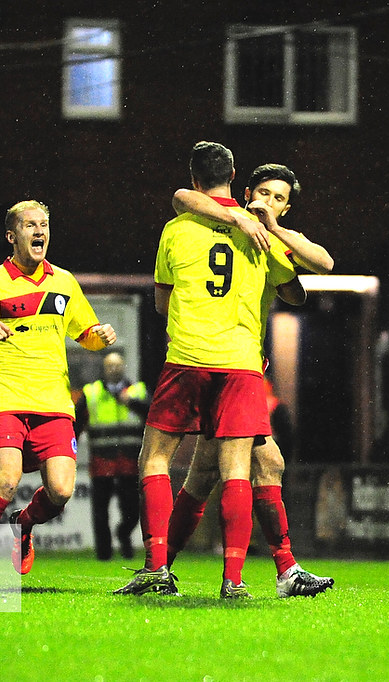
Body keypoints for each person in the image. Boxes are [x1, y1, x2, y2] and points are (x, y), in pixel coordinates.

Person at [113, 142, 301, 598]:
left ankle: (158, 568)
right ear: (236, 175)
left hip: (189, 357)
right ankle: (235, 580)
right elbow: (300, 287)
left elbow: (161, 301)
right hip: (240, 364)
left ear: (194, 177)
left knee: (156, 460)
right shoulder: (259, 233)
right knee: (235, 470)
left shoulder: (177, 230)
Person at [165, 163, 336, 597]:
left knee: (206, 474)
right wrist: (246, 219)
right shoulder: (222, 222)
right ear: (245, 192)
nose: (268, 201)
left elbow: (324, 264)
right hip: (220, 364)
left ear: (287, 206)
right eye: (262, 192)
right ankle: (279, 571)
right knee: (258, 465)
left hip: (240, 368)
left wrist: (274, 228)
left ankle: (159, 566)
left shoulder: (270, 239)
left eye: (279, 197)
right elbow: (184, 197)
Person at [0, 199, 117, 589]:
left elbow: (84, 335)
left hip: (54, 402)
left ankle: (23, 524)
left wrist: (99, 336)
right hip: (3, 399)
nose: (39, 232)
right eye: (29, 226)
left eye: (44, 225)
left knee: (61, 490)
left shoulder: (64, 282)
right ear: (12, 236)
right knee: (6, 482)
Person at [73, 351, 148, 560]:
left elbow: (152, 412)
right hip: (101, 461)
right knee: (100, 511)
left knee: (133, 510)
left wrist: (131, 402)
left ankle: (124, 535)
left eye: (117, 365)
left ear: (123, 367)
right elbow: (76, 426)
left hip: (130, 462)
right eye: (110, 365)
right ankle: (103, 554)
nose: (114, 369)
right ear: (104, 369)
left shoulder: (138, 390)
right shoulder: (91, 392)